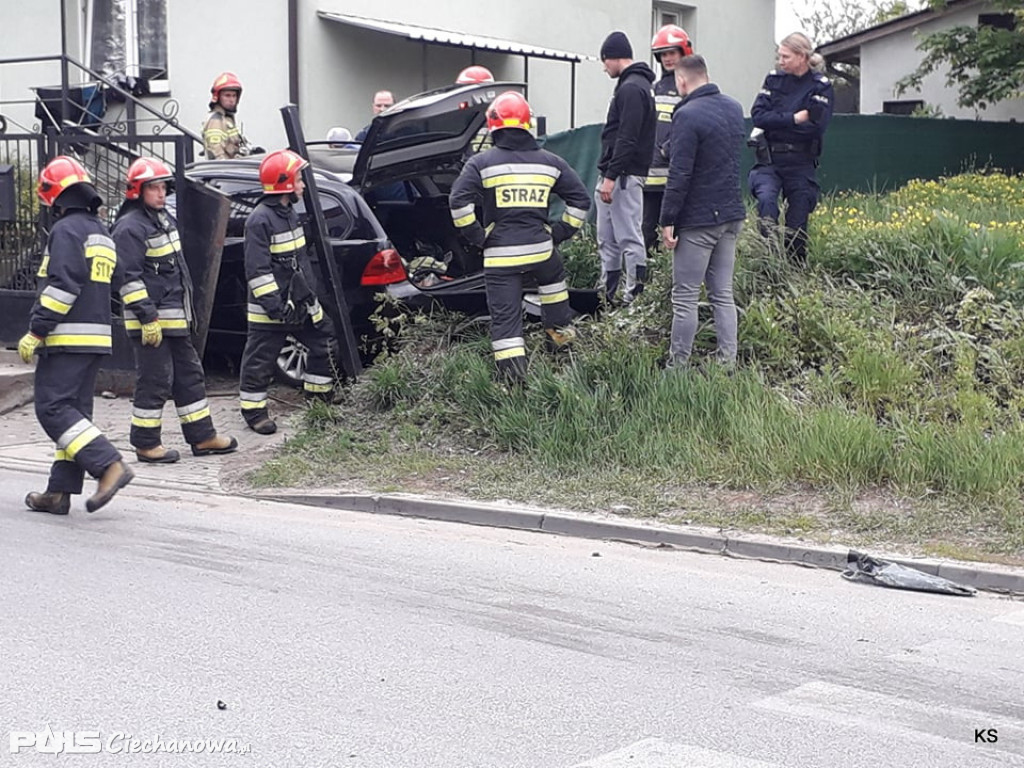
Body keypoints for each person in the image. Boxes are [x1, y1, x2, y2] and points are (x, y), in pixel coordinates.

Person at [18, 156, 134, 515]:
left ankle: (108, 464)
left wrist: (37, 329)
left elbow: (63, 286)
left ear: (56, 197)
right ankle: (59, 492)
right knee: (74, 415)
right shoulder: (101, 231)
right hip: (96, 337)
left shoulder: (66, 231)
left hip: (66, 338)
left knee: (52, 408)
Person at [449, 91, 591, 382]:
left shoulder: (481, 163)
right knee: (554, 294)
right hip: (541, 250)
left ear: (493, 126)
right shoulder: (552, 162)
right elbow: (580, 201)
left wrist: (478, 237)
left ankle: (514, 382)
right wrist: (560, 233)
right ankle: (562, 352)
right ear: (527, 124)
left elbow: (458, 203)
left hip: (500, 256)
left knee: (506, 318)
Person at [111, 157, 239, 464]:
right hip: (150, 323)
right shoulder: (129, 228)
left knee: (189, 376)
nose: (160, 193)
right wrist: (146, 317)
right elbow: (126, 279)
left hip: (173, 318)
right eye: (153, 187)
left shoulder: (162, 219)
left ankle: (203, 436)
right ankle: (145, 443)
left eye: (162, 187)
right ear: (137, 191)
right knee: (156, 381)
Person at [238, 149, 339, 434]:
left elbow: (298, 262)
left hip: (299, 302)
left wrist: (309, 298)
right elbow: (257, 271)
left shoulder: (289, 213)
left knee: (324, 339)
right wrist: (275, 307)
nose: (302, 184)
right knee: (260, 361)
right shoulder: (259, 220)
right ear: (284, 184)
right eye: (298, 179)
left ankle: (318, 400)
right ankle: (254, 413)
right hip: (271, 309)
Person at [659, 55, 746, 369]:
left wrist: (668, 219)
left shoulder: (687, 114)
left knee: (684, 297)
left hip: (699, 220)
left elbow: (680, 173)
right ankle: (727, 364)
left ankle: (677, 369)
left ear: (681, 81)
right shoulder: (735, 108)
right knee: (722, 293)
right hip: (732, 215)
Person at [748, 32, 834, 265]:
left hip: (801, 161)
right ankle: (769, 264)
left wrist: (776, 122)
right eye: (779, 56)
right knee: (766, 204)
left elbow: (815, 127)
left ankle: (795, 271)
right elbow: (758, 116)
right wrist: (794, 119)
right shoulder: (774, 80)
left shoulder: (820, 86)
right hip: (770, 160)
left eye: (785, 56)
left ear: (802, 56)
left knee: (797, 222)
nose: (780, 61)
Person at [595, 31, 656, 305]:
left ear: (612, 57)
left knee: (629, 238)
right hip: (618, 175)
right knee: (608, 239)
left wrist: (611, 175)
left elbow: (627, 136)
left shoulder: (632, 88)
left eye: (604, 61)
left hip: (623, 176)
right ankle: (606, 296)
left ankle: (635, 299)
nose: (603, 67)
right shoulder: (634, 85)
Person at [643, 25, 693, 254]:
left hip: (676, 181)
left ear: (684, 53)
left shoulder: (690, 89)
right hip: (648, 182)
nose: (668, 58)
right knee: (646, 235)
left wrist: (667, 151)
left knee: (677, 238)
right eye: (663, 54)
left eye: (672, 52)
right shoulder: (652, 88)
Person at [202, 72, 254, 159]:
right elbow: (216, 153)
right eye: (227, 96)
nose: (232, 100)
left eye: (234, 96)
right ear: (217, 97)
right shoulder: (216, 120)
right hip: (224, 170)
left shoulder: (227, 119)